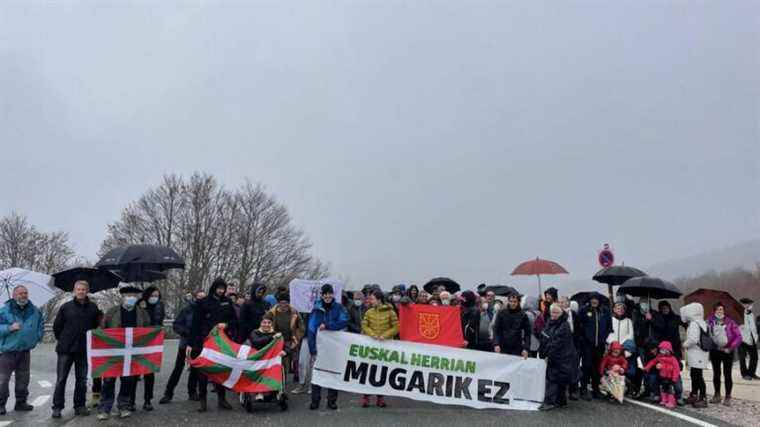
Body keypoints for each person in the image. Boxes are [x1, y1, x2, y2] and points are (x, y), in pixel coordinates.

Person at [97, 285, 152, 420]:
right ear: (122, 297)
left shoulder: (142, 313)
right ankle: (105, 408)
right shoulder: (112, 312)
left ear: (137, 297)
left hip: (132, 352)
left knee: (128, 380)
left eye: (133, 296)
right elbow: (102, 328)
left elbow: (148, 330)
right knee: (109, 380)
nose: (130, 298)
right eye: (128, 296)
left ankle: (124, 406)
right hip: (114, 351)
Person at [52, 280, 102, 419]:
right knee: (61, 379)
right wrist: (64, 340)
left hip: (84, 350)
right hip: (66, 349)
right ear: (74, 291)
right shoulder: (65, 307)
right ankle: (57, 407)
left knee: (81, 380)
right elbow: (57, 327)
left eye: (83, 289)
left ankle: (79, 406)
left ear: (87, 291)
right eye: (78, 289)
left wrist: (101, 316)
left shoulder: (93, 308)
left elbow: (97, 326)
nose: (81, 291)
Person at [188, 277, 238, 412]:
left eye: (223, 288)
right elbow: (195, 324)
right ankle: (202, 401)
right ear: (214, 288)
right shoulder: (203, 302)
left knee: (220, 369)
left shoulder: (227, 302)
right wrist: (192, 343)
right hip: (204, 341)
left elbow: (234, 320)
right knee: (203, 371)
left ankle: (222, 399)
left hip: (221, 341)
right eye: (219, 288)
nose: (221, 291)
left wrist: (226, 325)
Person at [0, 285, 44, 415]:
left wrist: (37, 337)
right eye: (20, 293)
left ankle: (21, 402)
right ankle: (1, 404)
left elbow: (40, 324)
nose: (23, 295)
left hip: (25, 351)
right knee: (2, 379)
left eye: (25, 293)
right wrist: (9, 328)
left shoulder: (35, 311)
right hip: (7, 351)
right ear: (14, 295)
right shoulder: (4, 311)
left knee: (23, 378)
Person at [307, 284, 348, 410]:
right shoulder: (316, 309)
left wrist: (328, 326)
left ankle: (331, 401)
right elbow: (311, 330)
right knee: (317, 373)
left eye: (330, 293)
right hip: (320, 347)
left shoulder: (339, 307)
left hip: (334, 347)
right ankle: (315, 400)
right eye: (325, 293)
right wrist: (312, 350)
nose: (327, 296)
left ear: (333, 294)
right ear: (322, 295)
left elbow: (344, 321)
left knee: (333, 373)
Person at [160, 290, 204, 404]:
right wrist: (186, 332)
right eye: (199, 297)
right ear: (195, 298)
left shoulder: (206, 311)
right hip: (185, 344)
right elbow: (176, 325)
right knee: (178, 368)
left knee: (195, 369)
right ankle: (168, 393)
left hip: (198, 345)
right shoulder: (187, 310)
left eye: (203, 298)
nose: (201, 300)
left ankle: (192, 392)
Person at [360, 290, 399, 408]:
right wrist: (372, 334)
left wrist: (385, 335)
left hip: (385, 346)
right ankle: (366, 398)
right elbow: (364, 325)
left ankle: (380, 398)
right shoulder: (369, 312)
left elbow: (397, 326)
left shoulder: (390, 312)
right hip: (371, 346)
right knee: (368, 371)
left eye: (372, 299)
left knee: (382, 372)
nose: (370, 301)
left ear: (379, 299)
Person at [129, 286, 165, 412]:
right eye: (152, 295)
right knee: (134, 372)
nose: (154, 298)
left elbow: (160, 321)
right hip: (138, 342)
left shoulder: (160, 305)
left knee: (149, 372)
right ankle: (131, 401)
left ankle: (148, 400)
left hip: (152, 342)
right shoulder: (139, 304)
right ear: (147, 295)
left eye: (157, 295)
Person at [538, 304, 577, 411]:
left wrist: (548, 355)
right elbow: (544, 336)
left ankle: (549, 402)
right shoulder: (550, 323)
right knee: (559, 378)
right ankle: (561, 400)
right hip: (558, 355)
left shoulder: (564, 326)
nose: (553, 314)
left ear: (561, 313)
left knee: (552, 378)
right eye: (552, 312)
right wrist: (542, 352)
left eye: (556, 312)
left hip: (562, 356)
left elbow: (556, 343)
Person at [267, 290, 303, 391]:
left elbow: (301, 327)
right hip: (276, 341)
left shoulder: (294, 312)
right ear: (278, 303)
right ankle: (277, 385)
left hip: (291, 340)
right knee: (278, 364)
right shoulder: (272, 313)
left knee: (291, 362)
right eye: (282, 302)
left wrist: (297, 339)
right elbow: (265, 323)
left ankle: (284, 385)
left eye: (286, 302)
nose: (284, 305)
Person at [707, 302, 741, 406]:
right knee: (716, 373)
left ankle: (727, 396)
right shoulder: (709, 321)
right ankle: (717, 395)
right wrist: (714, 346)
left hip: (727, 351)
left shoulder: (730, 322)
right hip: (715, 351)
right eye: (717, 309)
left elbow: (738, 336)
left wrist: (730, 348)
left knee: (727, 374)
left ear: (724, 311)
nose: (719, 311)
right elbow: (707, 336)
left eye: (721, 309)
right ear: (714, 311)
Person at [578, 294, 612, 400]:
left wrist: (604, 338)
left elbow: (609, 326)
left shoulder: (604, 311)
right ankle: (583, 389)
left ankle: (596, 389)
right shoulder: (584, 310)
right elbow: (579, 325)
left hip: (600, 345)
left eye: (596, 299)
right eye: (592, 299)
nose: (594, 301)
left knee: (597, 368)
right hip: (587, 345)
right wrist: (583, 339)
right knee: (586, 366)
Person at [680, 302, 709, 408]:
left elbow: (693, 339)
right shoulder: (702, 322)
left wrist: (684, 344)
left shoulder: (694, 324)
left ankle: (702, 398)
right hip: (701, 353)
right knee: (695, 374)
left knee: (697, 376)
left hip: (696, 353)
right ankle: (694, 394)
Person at [643, 341, 681, 409]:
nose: (661, 351)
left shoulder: (673, 359)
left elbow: (676, 369)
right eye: (661, 350)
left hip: (670, 377)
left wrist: (674, 378)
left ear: (668, 350)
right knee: (663, 388)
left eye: (663, 350)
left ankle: (671, 401)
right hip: (663, 376)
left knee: (670, 390)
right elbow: (653, 362)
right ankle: (664, 400)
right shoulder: (659, 357)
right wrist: (647, 368)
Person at [493, 294, 530, 358]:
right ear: (508, 301)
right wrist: (496, 344)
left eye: (515, 301)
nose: (512, 303)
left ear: (518, 302)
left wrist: (526, 348)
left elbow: (527, 333)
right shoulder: (501, 313)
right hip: (502, 347)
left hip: (517, 348)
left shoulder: (523, 315)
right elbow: (496, 330)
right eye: (511, 301)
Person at [739, 298, 758, 380]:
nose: (751, 306)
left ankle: (751, 373)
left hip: (752, 338)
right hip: (742, 338)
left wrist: (755, 336)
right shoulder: (739, 313)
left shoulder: (750, 313)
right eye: (749, 304)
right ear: (744, 304)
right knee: (742, 357)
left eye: (751, 304)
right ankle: (744, 374)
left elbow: (752, 326)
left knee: (754, 357)